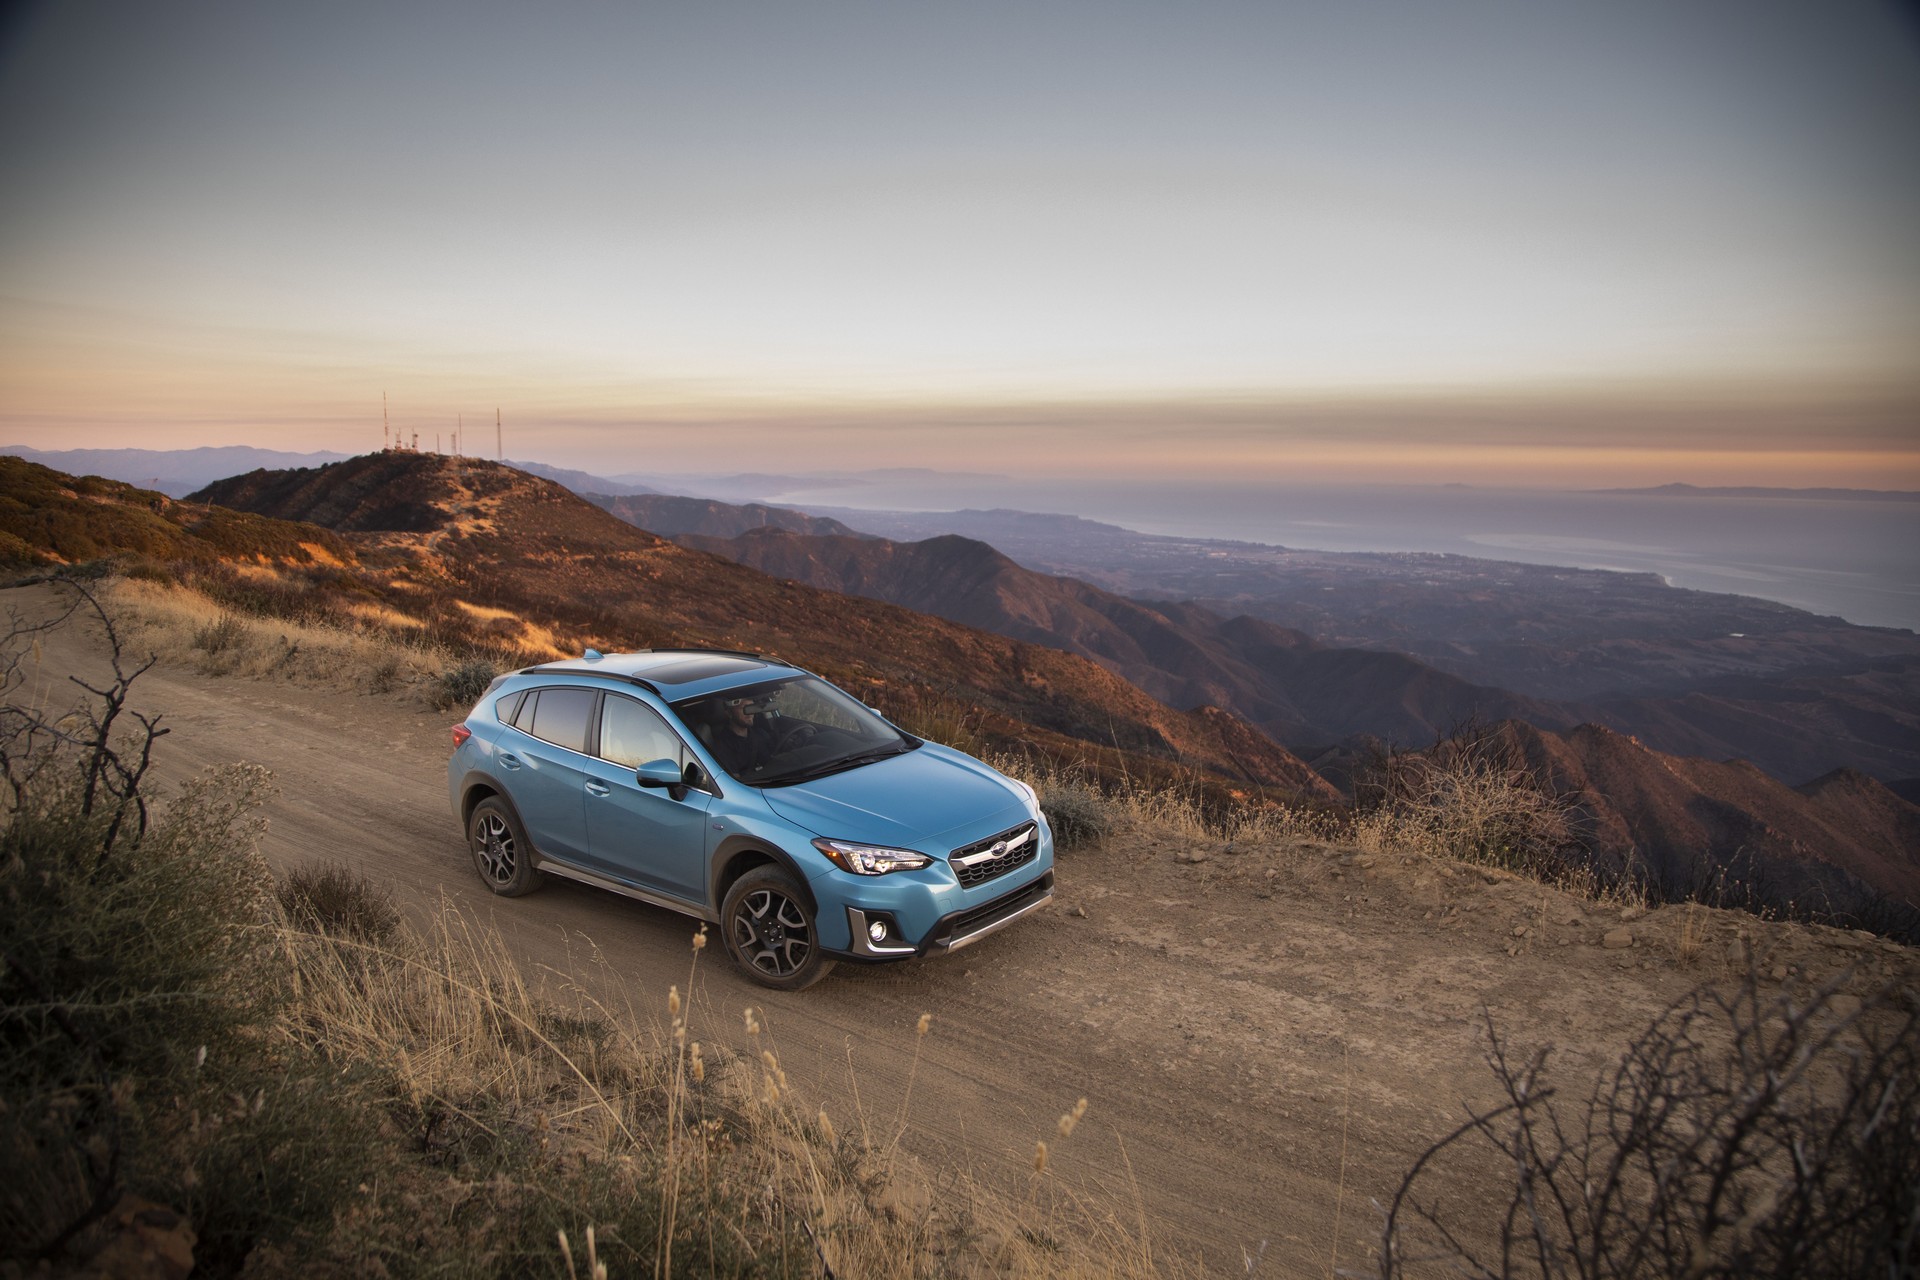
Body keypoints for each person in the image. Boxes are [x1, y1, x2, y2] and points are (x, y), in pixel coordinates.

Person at [705, 694, 812, 777]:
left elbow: (775, 759)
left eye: (752, 708)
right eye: (744, 708)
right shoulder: (723, 746)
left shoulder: (761, 734)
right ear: (729, 713)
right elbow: (735, 781)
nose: (750, 713)